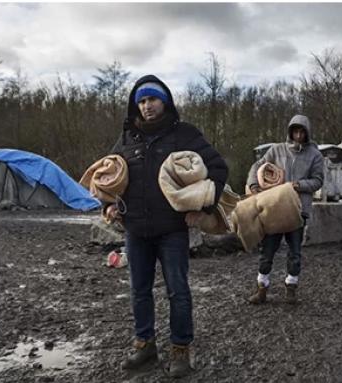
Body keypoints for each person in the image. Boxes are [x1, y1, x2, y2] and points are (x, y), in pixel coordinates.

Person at [103, 75, 228, 378]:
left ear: (165, 102)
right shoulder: (127, 139)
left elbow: (218, 168)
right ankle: (145, 347)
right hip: (136, 230)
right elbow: (109, 177)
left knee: (178, 291)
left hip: (172, 228)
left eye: (152, 99)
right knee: (139, 291)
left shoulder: (184, 134)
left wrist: (203, 208)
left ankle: (180, 351)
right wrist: (108, 205)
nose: (147, 106)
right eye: (142, 101)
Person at [246, 115, 324, 304]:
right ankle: (262, 289)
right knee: (267, 251)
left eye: (302, 131)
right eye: (295, 131)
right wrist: (253, 184)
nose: (298, 135)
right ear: (290, 131)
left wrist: (299, 185)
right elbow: (258, 166)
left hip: (298, 210)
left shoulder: (315, 155)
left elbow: (318, 181)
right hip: (274, 209)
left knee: (295, 253)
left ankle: (291, 288)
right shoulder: (276, 150)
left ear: (307, 133)